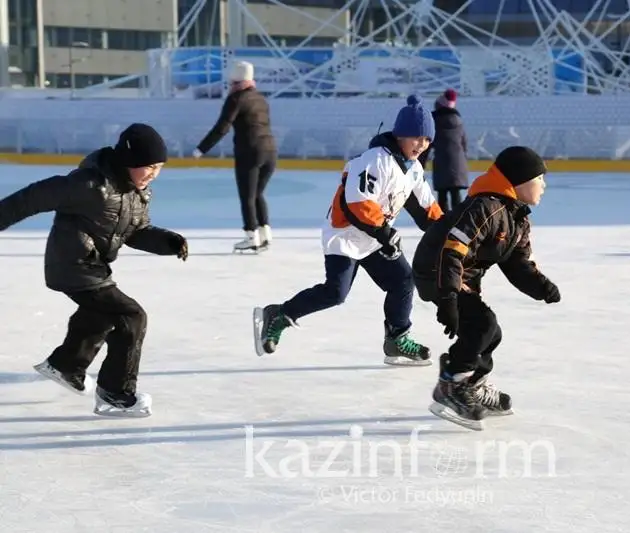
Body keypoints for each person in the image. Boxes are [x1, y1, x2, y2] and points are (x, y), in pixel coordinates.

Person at [0, 123, 189, 418]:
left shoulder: (136, 193)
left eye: (158, 167)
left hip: (93, 267)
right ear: (129, 161)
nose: (153, 174)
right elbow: (32, 198)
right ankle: (115, 394)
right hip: (73, 265)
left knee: (101, 314)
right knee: (130, 316)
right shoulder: (89, 184)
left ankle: (66, 365)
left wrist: (168, 242)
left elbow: (136, 231)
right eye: (148, 166)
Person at [253, 95, 443, 366]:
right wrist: (385, 233)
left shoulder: (413, 168)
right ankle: (280, 314)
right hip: (345, 233)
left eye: (426, 140)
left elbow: (427, 207)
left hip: (375, 236)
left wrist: (446, 230)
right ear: (401, 134)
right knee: (335, 293)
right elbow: (357, 203)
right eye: (416, 137)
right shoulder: (376, 160)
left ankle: (396, 339)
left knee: (403, 280)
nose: (421, 145)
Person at [411, 146, 561, 430]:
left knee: (491, 333)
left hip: (461, 278)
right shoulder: (485, 208)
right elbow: (452, 250)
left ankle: (473, 385)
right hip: (437, 271)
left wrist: (542, 287)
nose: (544, 185)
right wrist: (448, 298)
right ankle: (451, 385)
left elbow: (518, 264)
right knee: (482, 324)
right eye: (539, 178)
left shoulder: (517, 219)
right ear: (520, 180)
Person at [192, 60, 277, 252]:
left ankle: (251, 236)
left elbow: (222, 127)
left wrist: (201, 149)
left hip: (250, 151)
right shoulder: (261, 98)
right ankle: (265, 233)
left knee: (247, 195)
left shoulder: (236, 98)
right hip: (270, 151)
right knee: (257, 194)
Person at [419, 89, 470, 213]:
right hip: (458, 162)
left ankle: (444, 223)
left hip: (442, 161)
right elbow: (464, 143)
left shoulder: (434, 122)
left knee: (442, 196)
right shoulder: (459, 120)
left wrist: (420, 164)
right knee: (456, 193)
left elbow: (426, 144)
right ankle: (458, 221)